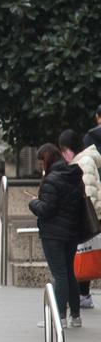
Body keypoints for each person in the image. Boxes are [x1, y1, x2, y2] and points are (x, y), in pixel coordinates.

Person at [30, 143, 85, 328]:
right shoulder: (74, 175)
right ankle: (75, 316)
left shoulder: (52, 179)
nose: (40, 166)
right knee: (69, 272)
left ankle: (59, 315)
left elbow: (47, 209)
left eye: (41, 162)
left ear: (46, 159)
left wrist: (33, 203)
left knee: (60, 274)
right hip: (71, 232)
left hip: (53, 233)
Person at [65, 128, 101, 309]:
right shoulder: (86, 159)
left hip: (89, 216)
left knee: (83, 255)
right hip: (93, 215)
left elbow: (88, 192)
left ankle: (82, 295)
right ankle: (83, 294)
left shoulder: (84, 162)